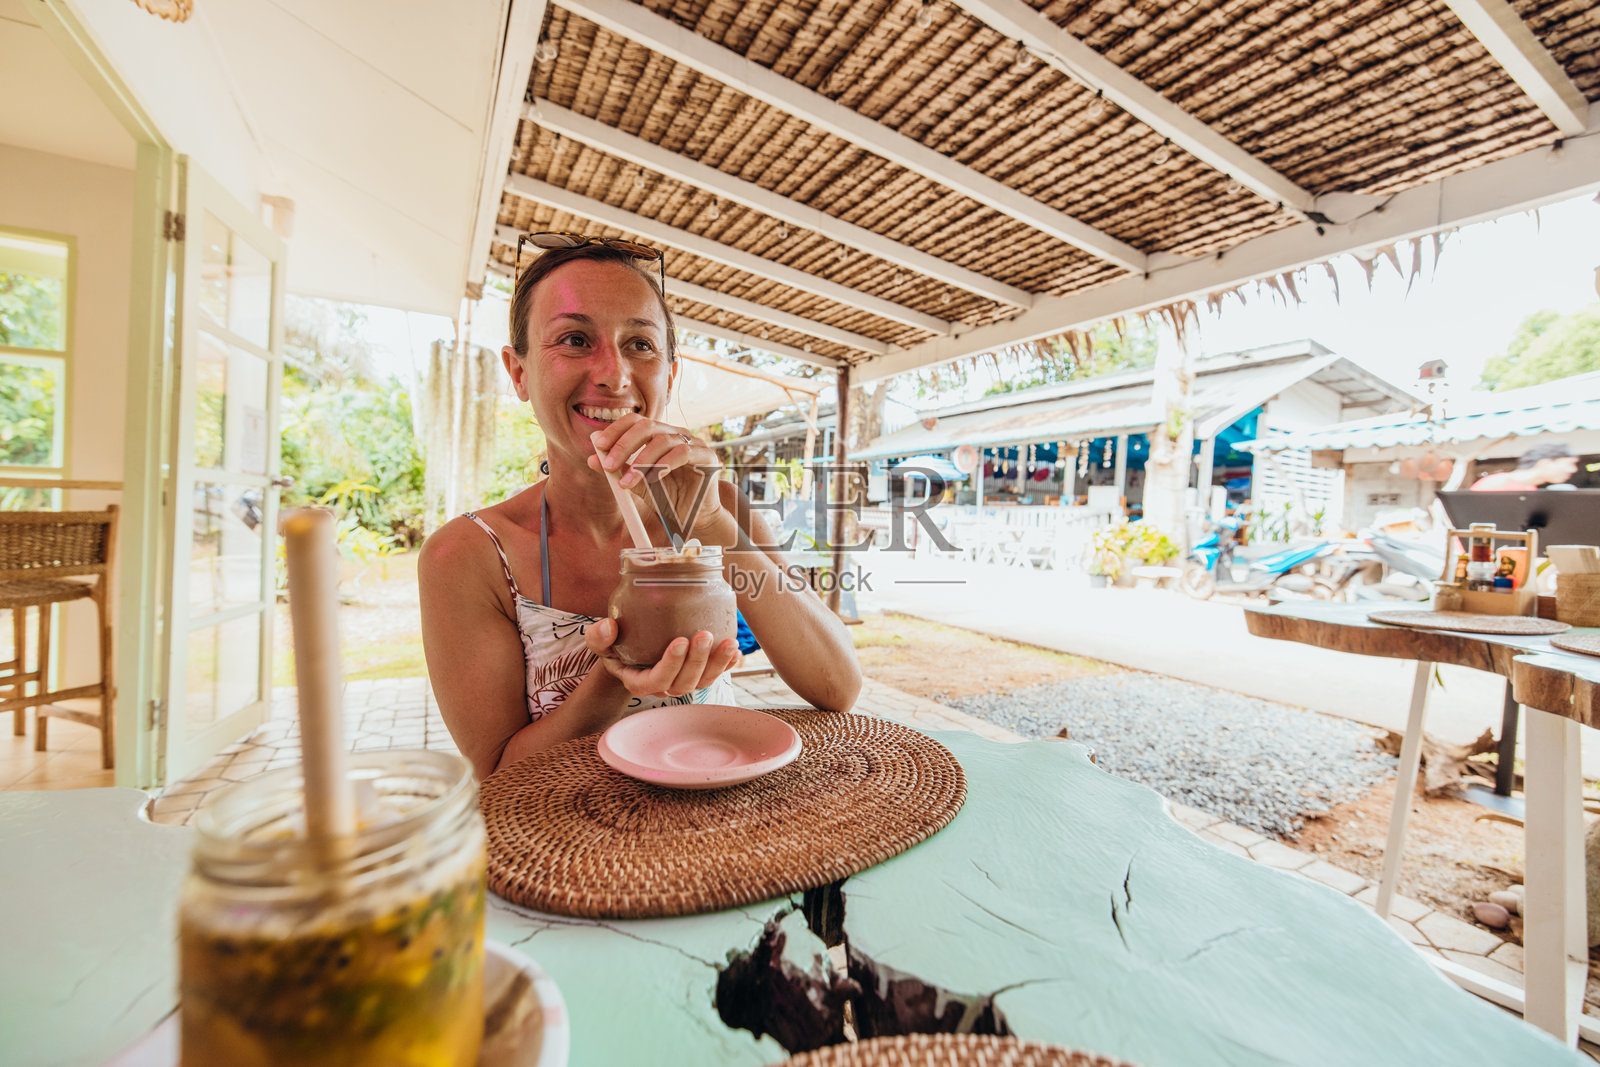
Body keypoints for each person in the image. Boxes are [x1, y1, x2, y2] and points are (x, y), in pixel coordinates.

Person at [419, 233, 861, 780]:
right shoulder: (469, 555)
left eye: (641, 344)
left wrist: (712, 526)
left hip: (727, 820)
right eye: (575, 340)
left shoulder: (716, 501)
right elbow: (498, 775)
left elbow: (837, 685)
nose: (614, 374)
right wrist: (613, 676)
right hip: (570, 847)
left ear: (669, 373)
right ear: (519, 373)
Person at [1470, 442, 1579, 491]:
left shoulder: (1530, 490)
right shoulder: (1497, 483)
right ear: (1545, 462)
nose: (1574, 469)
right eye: (1569, 464)